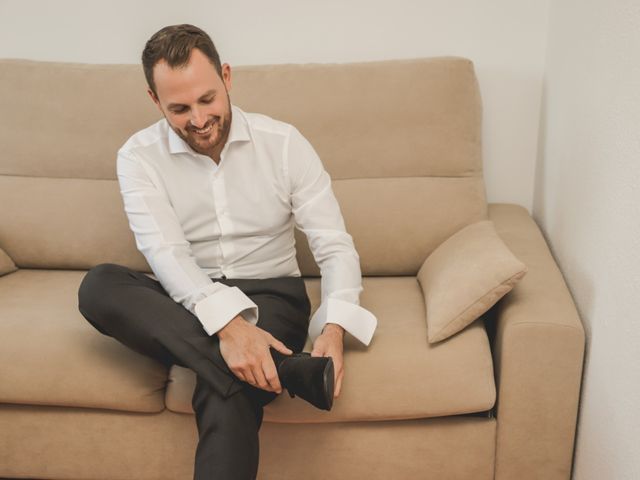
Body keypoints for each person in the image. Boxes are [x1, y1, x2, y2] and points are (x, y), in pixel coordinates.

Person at [77, 23, 377, 480]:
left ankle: (259, 360)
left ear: (228, 78)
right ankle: (288, 369)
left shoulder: (284, 144)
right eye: (178, 108)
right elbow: (166, 253)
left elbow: (333, 244)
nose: (198, 120)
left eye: (207, 99)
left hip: (272, 296)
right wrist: (229, 329)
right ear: (155, 101)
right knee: (99, 286)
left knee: (224, 393)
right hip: (188, 298)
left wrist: (334, 330)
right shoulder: (137, 157)